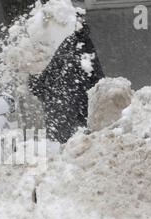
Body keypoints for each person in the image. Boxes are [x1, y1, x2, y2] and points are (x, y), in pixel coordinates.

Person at [29, 13, 104, 144]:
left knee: (65, 152)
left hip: (60, 116)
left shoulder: (50, 48)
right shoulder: (81, 43)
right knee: (77, 150)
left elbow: (38, 87)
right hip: (77, 111)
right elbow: (96, 76)